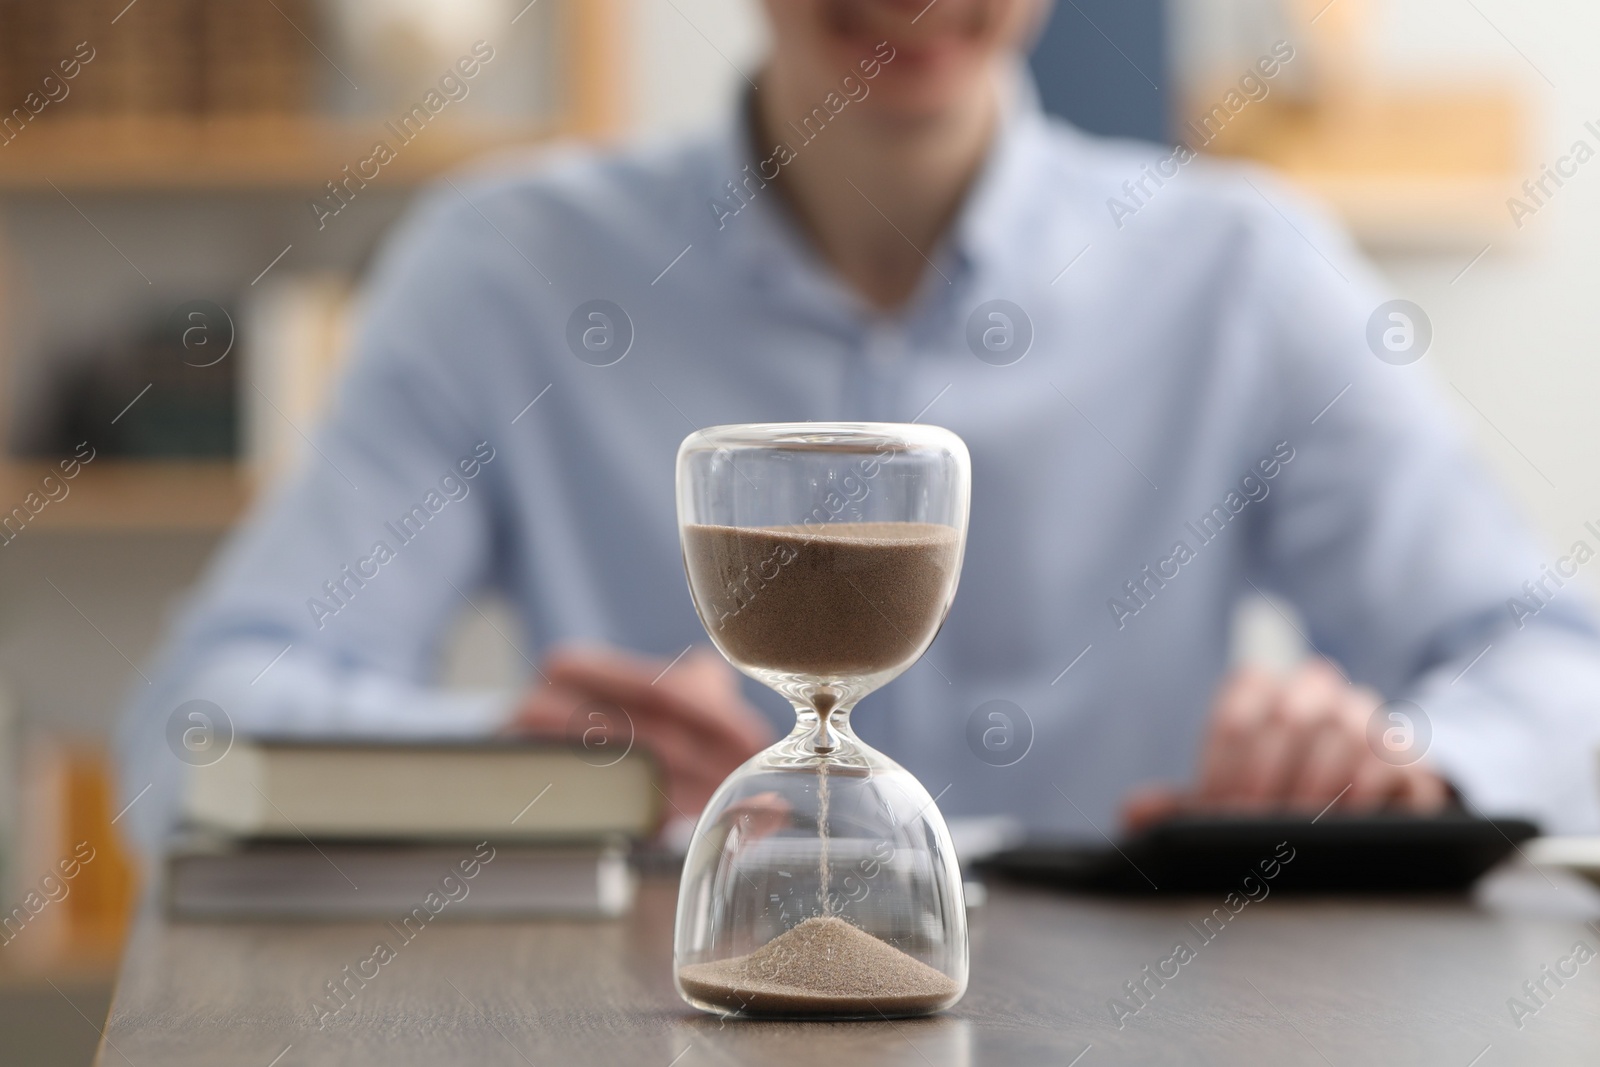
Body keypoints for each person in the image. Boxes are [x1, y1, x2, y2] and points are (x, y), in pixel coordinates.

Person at [118, 0, 1600, 850]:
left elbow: (1554, 663)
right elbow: (191, 723)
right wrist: (509, 762)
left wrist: (1407, 754)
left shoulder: (1240, 272)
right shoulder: (510, 270)